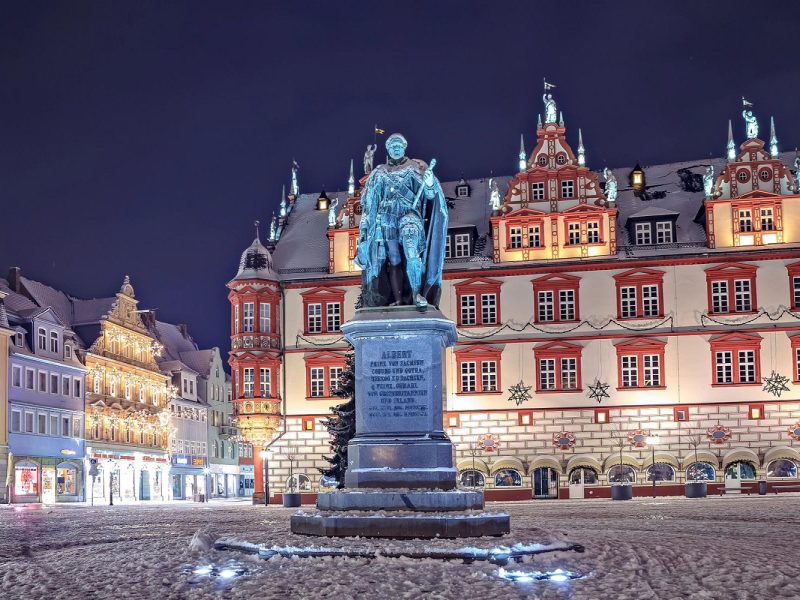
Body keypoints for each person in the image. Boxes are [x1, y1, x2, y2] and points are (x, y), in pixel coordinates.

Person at [355, 133, 448, 308]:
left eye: (399, 145)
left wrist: (429, 183)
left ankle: (416, 295)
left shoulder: (416, 168)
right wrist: (367, 225)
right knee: (394, 260)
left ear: (404, 147)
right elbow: (369, 203)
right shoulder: (379, 172)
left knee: (412, 253)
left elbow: (429, 195)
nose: (396, 148)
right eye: (392, 146)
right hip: (387, 220)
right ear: (388, 149)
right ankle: (397, 300)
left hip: (409, 217)